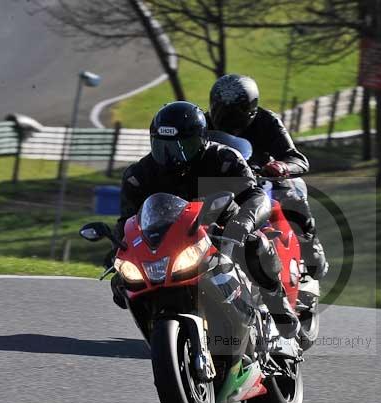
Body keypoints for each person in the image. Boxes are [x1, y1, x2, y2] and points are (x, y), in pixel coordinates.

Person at [113, 101, 300, 338]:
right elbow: (126, 224)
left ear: (201, 139)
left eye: (184, 146)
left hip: (223, 233)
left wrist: (241, 225)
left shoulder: (223, 160)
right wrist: (116, 259)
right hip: (169, 246)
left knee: (256, 244)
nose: (173, 155)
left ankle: (278, 305)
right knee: (126, 284)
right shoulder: (138, 176)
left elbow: (255, 196)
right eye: (163, 146)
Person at [208, 74, 328, 279]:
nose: (227, 119)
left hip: (261, 179)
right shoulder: (203, 124)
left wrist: (280, 166)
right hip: (220, 181)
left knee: (294, 190)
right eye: (220, 110)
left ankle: (310, 246)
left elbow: (298, 159)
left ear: (250, 108)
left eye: (234, 113)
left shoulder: (268, 121)